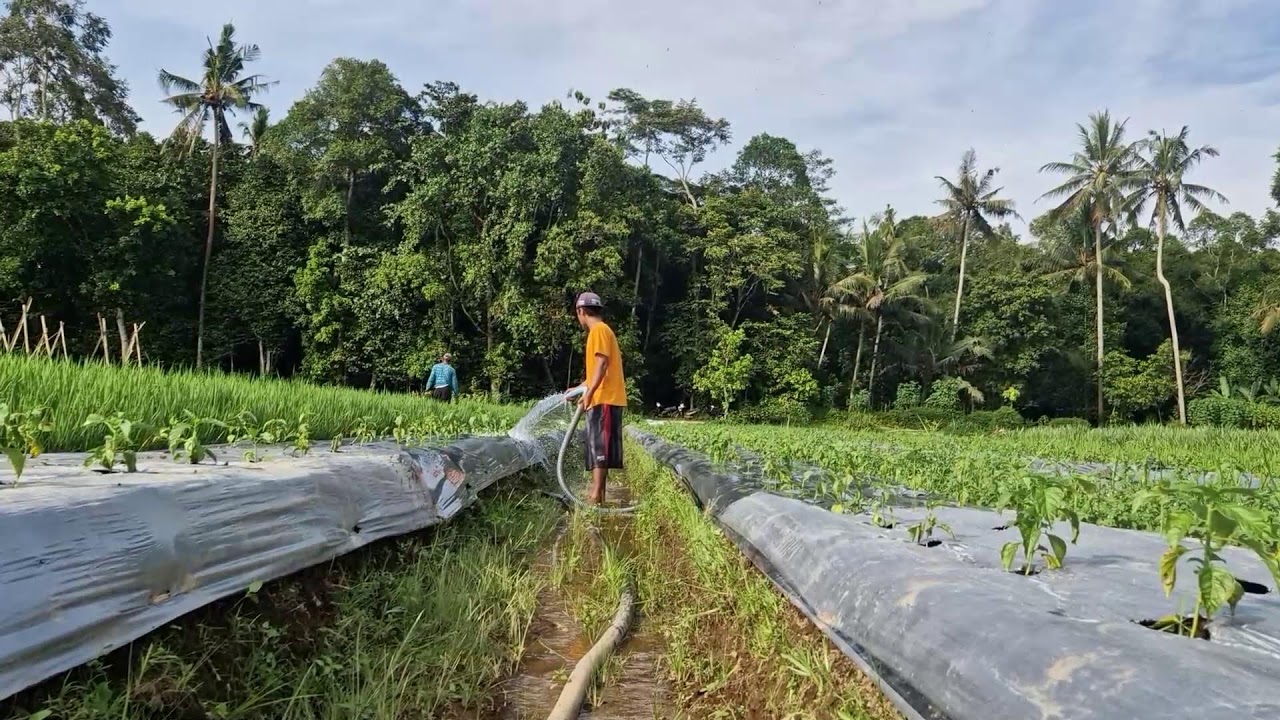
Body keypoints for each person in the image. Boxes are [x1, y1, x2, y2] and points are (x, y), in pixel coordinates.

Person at [571, 292, 627, 505]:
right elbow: (596, 371)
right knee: (597, 448)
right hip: (602, 397)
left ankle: (595, 496)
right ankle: (599, 496)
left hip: (604, 398)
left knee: (599, 450)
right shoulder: (601, 332)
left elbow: (602, 365)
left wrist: (591, 392)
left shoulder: (599, 331)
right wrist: (578, 389)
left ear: (581, 311)